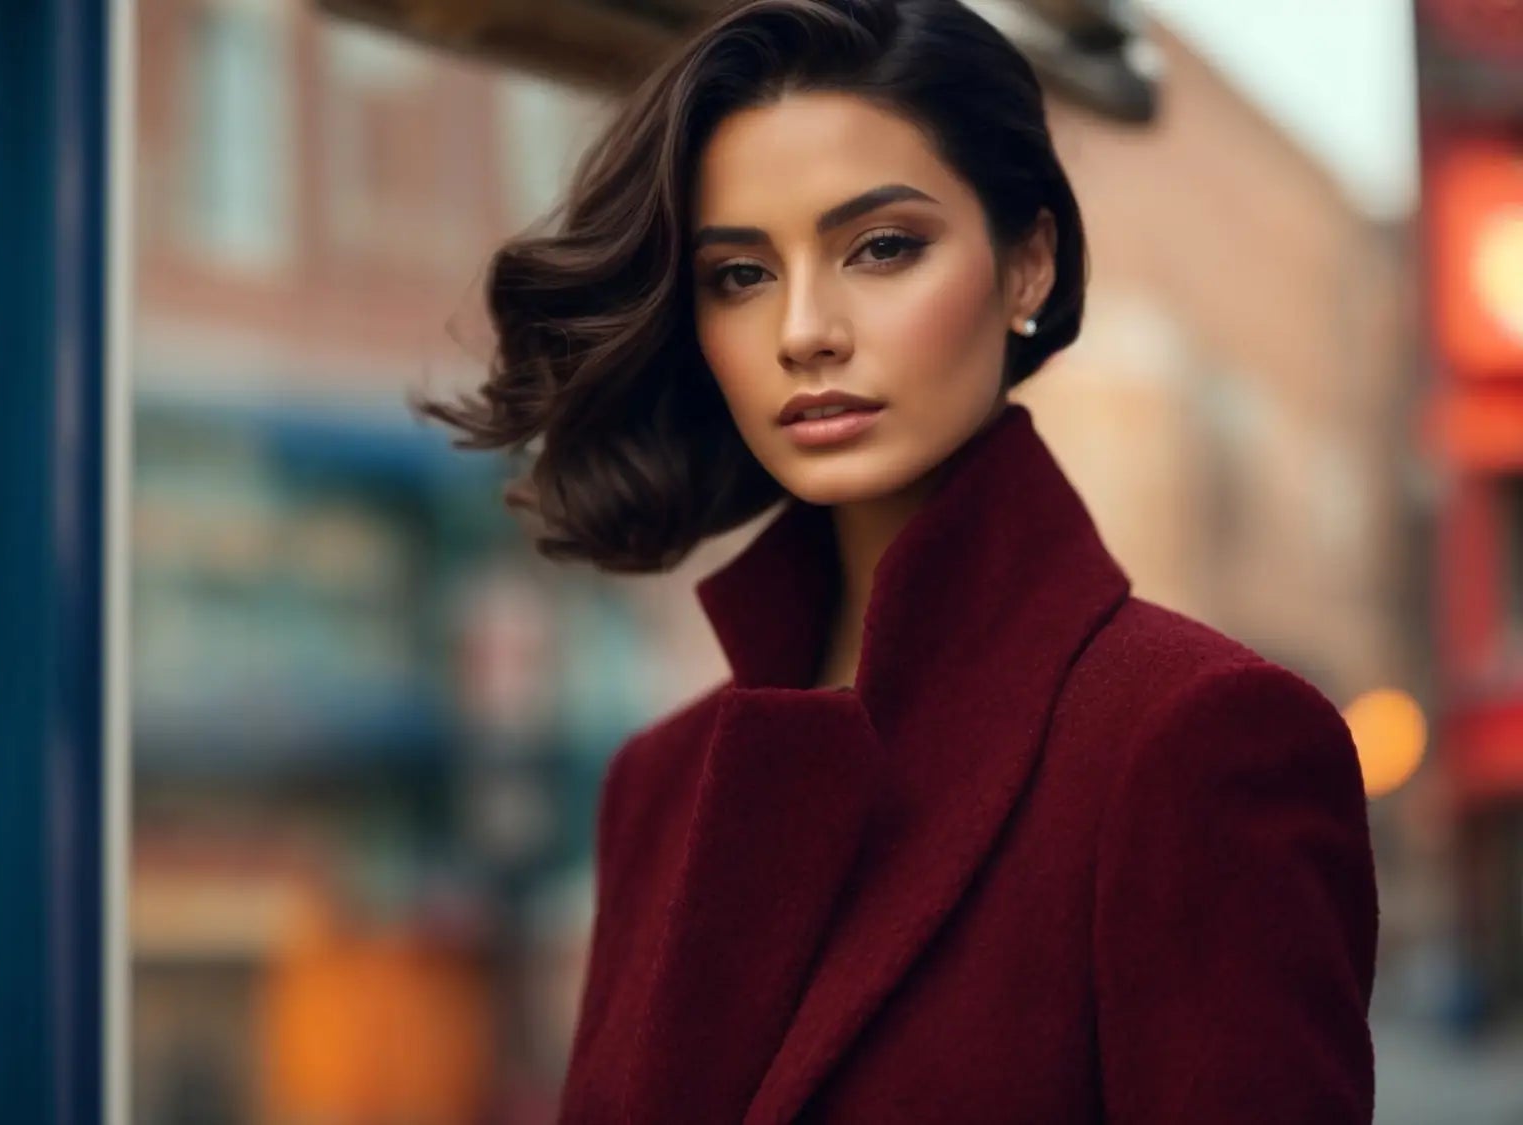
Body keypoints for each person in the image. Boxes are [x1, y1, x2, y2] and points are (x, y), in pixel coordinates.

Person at [411, 0, 1380, 1119]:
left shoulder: (1194, 741)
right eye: (739, 274)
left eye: (880, 248)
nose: (803, 330)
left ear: (1026, 265)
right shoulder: (658, 788)